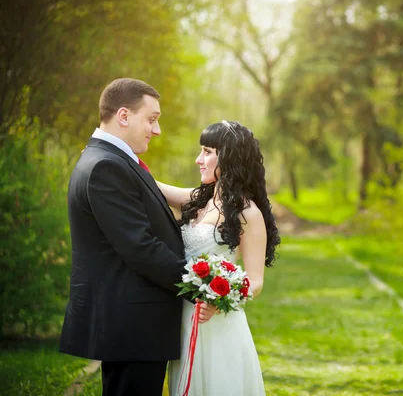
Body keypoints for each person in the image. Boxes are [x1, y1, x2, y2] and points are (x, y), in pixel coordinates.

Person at [59, 78, 216, 396]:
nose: (156, 130)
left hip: (133, 323)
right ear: (123, 116)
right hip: (133, 324)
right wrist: (203, 288)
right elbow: (140, 247)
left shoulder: (112, 160)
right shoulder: (106, 166)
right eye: (152, 119)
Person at [156, 120, 280, 395]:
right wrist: (120, 160)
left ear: (230, 157)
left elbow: (255, 281)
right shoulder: (199, 200)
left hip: (217, 322)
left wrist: (219, 299)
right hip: (184, 318)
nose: (199, 159)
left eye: (207, 151)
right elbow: (153, 186)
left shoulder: (249, 214)